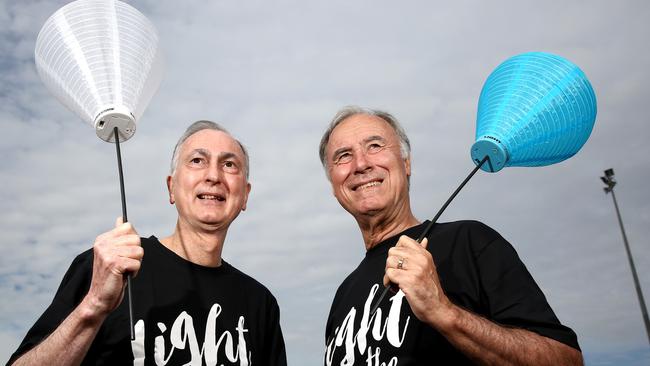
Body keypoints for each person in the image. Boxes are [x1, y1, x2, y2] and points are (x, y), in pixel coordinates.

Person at [8, 120, 287, 366]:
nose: (213, 176)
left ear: (245, 195)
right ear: (171, 188)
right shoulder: (111, 266)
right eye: (197, 161)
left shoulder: (260, 303)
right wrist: (92, 307)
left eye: (229, 165)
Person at [319, 106, 583, 365]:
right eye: (343, 156)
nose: (361, 164)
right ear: (333, 184)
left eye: (375, 146)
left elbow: (566, 360)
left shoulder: (470, 242)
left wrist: (444, 312)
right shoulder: (344, 293)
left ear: (406, 163)